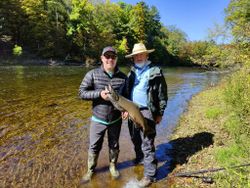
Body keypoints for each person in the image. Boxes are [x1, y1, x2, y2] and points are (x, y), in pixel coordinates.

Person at [79, 46, 127, 183]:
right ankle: (90, 170)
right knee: (94, 146)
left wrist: (126, 110)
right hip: (97, 119)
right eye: (107, 56)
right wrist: (99, 94)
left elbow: (126, 97)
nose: (110, 59)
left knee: (114, 145)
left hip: (115, 119)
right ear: (102, 58)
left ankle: (112, 166)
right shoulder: (92, 74)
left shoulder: (123, 77)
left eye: (113, 57)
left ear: (116, 59)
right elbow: (81, 93)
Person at [124, 43, 168, 187]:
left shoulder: (155, 71)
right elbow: (125, 93)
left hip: (148, 111)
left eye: (141, 54)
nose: (138, 57)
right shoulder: (131, 73)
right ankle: (141, 160)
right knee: (135, 139)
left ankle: (150, 176)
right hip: (132, 110)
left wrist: (160, 113)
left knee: (147, 143)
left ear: (147, 55)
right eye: (136, 55)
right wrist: (124, 109)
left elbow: (163, 94)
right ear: (133, 58)